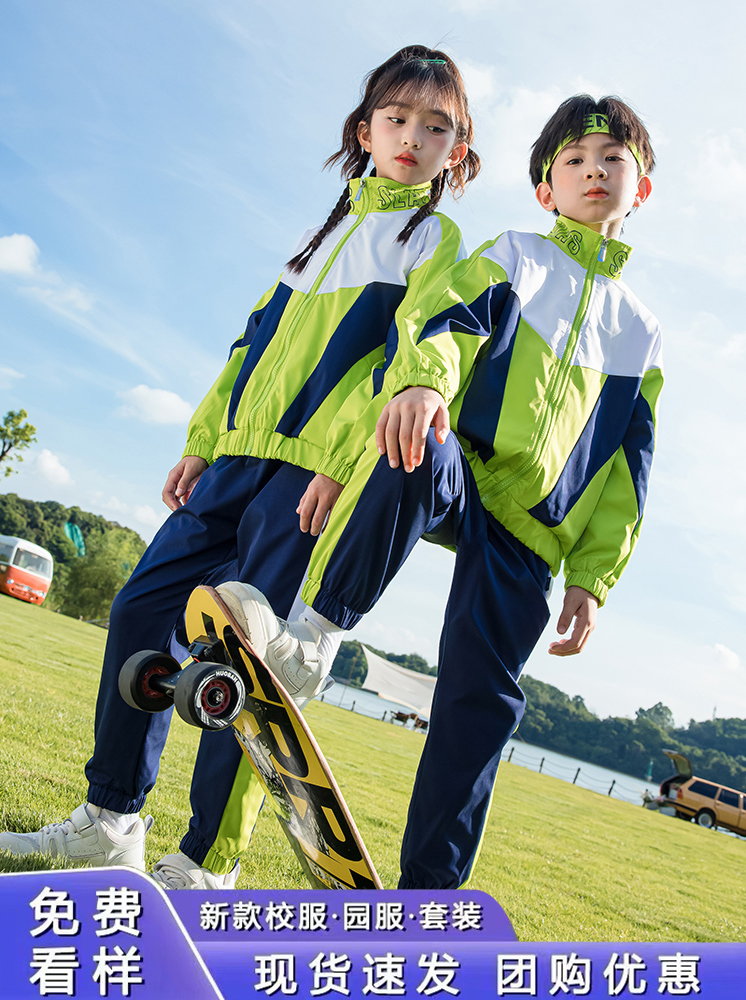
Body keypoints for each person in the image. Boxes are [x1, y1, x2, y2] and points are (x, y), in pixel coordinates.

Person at [0, 46, 480, 888]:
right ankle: (112, 819)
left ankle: (205, 862)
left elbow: (425, 351)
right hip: (235, 462)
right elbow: (249, 344)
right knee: (141, 609)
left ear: (457, 152)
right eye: (397, 118)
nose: (412, 137)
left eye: (435, 127)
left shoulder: (435, 239)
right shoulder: (319, 232)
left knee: (242, 669)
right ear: (363, 130)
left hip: (309, 480)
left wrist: (340, 467)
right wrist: (201, 438)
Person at [234, 94, 663, 889]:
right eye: (572, 161)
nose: (593, 171)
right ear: (546, 190)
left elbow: (628, 470)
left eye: (612, 160)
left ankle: (429, 900)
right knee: (414, 437)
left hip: (535, 528)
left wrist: (593, 580)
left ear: (641, 189)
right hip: (458, 467)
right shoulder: (515, 257)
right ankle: (314, 638)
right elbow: (449, 320)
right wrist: (427, 384)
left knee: (481, 704)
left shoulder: (640, 330)